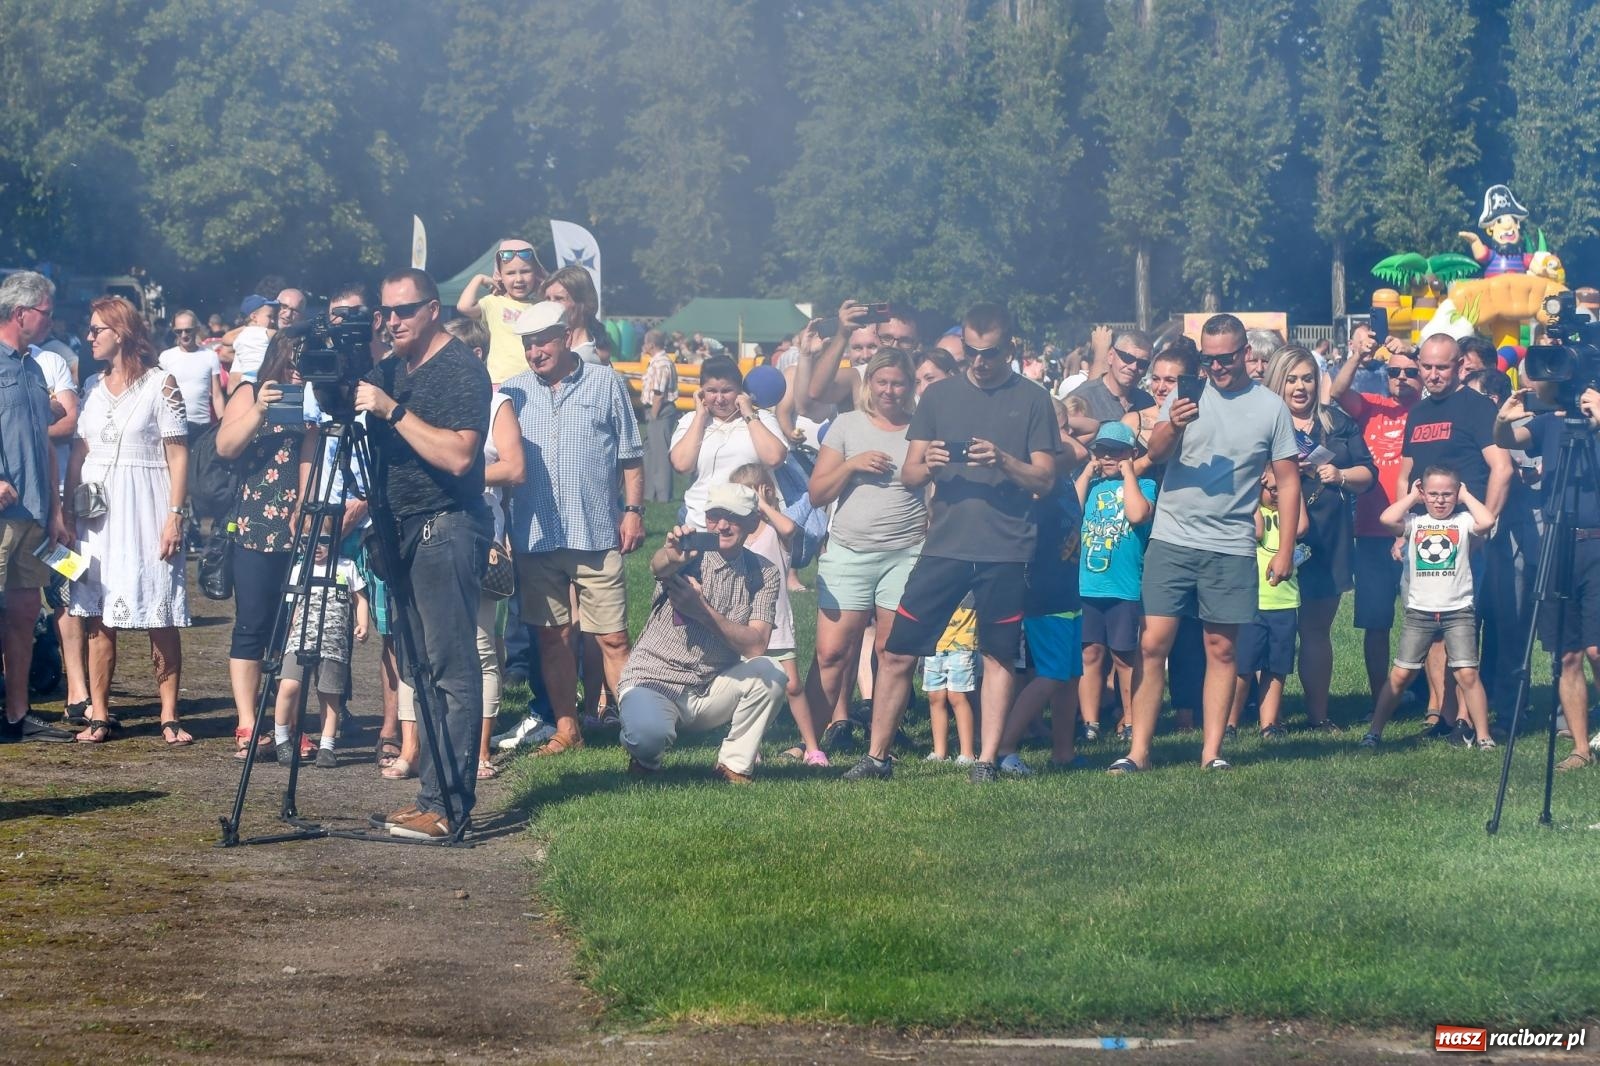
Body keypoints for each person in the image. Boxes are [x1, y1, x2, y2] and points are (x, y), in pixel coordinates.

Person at [843, 303, 1059, 782]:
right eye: (972, 353)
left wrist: (1004, 460)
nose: (980, 363)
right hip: (943, 544)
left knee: (999, 653)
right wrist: (931, 463)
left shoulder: (1033, 398)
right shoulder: (939, 396)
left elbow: (1045, 479)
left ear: (1011, 348)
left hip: (1006, 547)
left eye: (991, 353)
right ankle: (877, 757)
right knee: (898, 650)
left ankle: (987, 761)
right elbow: (909, 472)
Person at [1114, 314, 1300, 774]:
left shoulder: (1270, 408)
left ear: (1245, 355)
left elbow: (1289, 482)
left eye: (1225, 358)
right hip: (1173, 535)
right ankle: (1138, 751)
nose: (1216, 367)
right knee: (1153, 643)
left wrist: (1285, 548)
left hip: (1232, 542)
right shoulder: (1185, 392)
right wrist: (1172, 424)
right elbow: (1154, 455)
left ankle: (1211, 752)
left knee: (1221, 648)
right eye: (1208, 359)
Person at [358, 268, 492, 841]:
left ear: (433, 309)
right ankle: (431, 797)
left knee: (452, 670)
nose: (393, 322)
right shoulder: (389, 367)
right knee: (420, 670)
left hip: (446, 527)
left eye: (404, 311)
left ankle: (450, 808)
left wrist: (392, 410)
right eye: (386, 313)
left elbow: (461, 457)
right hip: (398, 532)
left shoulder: (461, 369)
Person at [498, 300, 643, 758]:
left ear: (564, 337)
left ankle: (637, 734)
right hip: (535, 535)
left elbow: (631, 454)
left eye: (542, 341)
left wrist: (634, 509)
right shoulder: (514, 392)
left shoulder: (606, 382)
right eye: (527, 344)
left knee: (614, 637)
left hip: (597, 530)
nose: (535, 351)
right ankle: (567, 729)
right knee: (552, 636)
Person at [63, 297, 193, 745]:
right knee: (98, 613)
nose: (90, 336)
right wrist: (66, 509)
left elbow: (178, 454)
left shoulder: (161, 384)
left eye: (97, 329)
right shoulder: (91, 389)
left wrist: (175, 516)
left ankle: (169, 714)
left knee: (160, 609)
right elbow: (79, 453)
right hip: (97, 514)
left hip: (148, 505)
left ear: (120, 332)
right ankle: (99, 713)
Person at [618, 483, 787, 783]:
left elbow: (757, 645)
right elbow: (657, 565)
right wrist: (671, 555)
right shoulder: (689, 555)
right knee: (647, 736)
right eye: (714, 516)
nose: (721, 525)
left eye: (732, 517)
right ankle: (646, 759)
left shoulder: (765, 572)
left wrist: (703, 612)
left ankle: (734, 766)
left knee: (772, 673)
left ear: (752, 522)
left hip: (711, 687)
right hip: (654, 679)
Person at [803, 349, 925, 751]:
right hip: (849, 550)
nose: (890, 391)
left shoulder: (922, 427)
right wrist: (852, 464)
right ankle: (809, 744)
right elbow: (818, 493)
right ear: (869, 382)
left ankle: (879, 749)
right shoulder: (847, 424)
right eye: (882, 382)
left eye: (898, 383)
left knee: (894, 653)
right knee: (832, 653)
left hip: (905, 551)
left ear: (909, 385)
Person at [1398, 333, 1512, 732]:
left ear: (1459, 365)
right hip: (1424, 537)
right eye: (1426, 367)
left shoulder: (1478, 409)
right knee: (1430, 627)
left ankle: (1465, 716)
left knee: (1462, 627)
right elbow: (1405, 474)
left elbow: (1502, 468)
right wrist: (1401, 531)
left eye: (1441, 367)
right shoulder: (1418, 412)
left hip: (1464, 536)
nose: (1432, 374)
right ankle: (1442, 713)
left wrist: (1486, 526)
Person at [215, 331, 319, 758]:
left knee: (291, 629)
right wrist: (260, 408)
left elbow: (311, 452)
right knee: (251, 624)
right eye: (293, 359)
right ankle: (246, 723)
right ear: (278, 357)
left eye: (305, 361)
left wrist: (305, 504)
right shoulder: (250, 392)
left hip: (293, 524)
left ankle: (284, 723)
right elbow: (225, 447)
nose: (298, 368)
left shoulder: (313, 398)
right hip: (255, 524)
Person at [1264, 346, 1376, 729]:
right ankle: (1265, 718)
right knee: (1270, 628)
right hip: (1271, 536)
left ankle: (1318, 716)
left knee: (1315, 628)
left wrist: (1339, 474)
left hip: (1328, 536)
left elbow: (1368, 474)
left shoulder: (1336, 421)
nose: (1300, 387)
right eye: (1291, 379)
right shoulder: (1262, 420)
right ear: (1278, 380)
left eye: (1307, 378)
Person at [1494, 385, 1600, 769]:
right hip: (1558, 543)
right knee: (1567, 653)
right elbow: (1506, 439)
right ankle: (1580, 748)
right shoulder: (1550, 423)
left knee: (1596, 649)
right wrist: (1502, 418)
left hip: (1597, 542)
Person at [442, 315, 527, 781]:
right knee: (436, 645)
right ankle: (435, 744)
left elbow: (515, 469)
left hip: (481, 531)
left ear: (475, 355)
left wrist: (459, 472)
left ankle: (479, 750)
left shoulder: (497, 403)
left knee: (479, 645)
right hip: (432, 530)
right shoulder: (428, 399)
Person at [1359, 468, 1496, 749]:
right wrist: (1411, 497)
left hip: (1458, 611)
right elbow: (1387, 518)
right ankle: (1374, 732)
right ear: (1424, 495)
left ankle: (1484, 736)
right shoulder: (1415, 522)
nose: (1440, 500)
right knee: (1401, 674)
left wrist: (1467, 496)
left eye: (1447, 494)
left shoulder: (1463, 521)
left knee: (1467, 673)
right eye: (1433, 494)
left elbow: (1487, 520)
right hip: (1419, 613)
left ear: (1457, 495)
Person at [0, 272, 75, 743]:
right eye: (46, 312)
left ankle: (17, 714)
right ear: (20, 312)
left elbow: (47, 445)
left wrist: (56, 509)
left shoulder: (33, 368)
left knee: (26, 611)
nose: (50, 321)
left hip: (34, 510)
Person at [1332, 325, 1425, 702]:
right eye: (1394, 372)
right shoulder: (1371, 405)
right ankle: (1379, 696)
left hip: (1419, 530)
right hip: (1371, 530)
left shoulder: (1429, 410)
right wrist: (1358, 355)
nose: (1401, 378)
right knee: (1376, 622)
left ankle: (1428, 699)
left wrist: (1412, 351)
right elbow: (1336, 392)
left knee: (1427, 621)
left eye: (1410, 372)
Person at [727, 463, 822, 764]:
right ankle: (749, 748)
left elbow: (790, 528)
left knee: (793, 686)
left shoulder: (775, 532)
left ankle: (812, 747)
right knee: (746, 690)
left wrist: (765, 505)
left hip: (776, 623)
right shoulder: (737, 534)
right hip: (744, 625)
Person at [1076, 422, 1155, 741]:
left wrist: (1129, 474)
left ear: (1132, 454)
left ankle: (1132, 718)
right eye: (1101, 451)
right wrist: (1085, 473)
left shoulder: (1145, 485)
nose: (1107, 457)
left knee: (1124, 656)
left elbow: (1137, 516)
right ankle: (1089, 722)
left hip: (1124, 588)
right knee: (1090, 654)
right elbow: (1072, 512)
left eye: (1116, 451)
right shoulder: (1091, 487)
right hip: (1087, 586)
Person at [271, 538, 370, 767]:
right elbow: (292, 604)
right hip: (300, 639)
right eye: (308, 541)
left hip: (334, 642)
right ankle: (282, 738)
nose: (316, 546)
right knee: (288, 684)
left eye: (323, 541)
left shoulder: (346, 566)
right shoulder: (299, 568)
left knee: (329, 694)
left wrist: (362, 623)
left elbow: (360, 598)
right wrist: (290, 628)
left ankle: (327, 746)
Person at [1229, 467, 1309, 738]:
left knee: (1276, 668)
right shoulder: (1257, 513)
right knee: (1244, 668)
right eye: (1270, 490)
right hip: (1254, 603)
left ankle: (1269, 723)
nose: (1276, 495)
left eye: (1280, 490)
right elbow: (1256, 532)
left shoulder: (1289, 517)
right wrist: (1254, 491)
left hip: (1284, 602)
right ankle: (1230, 722)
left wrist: (1293, 486)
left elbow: (1301, 527)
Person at [670, 356, 788, 528]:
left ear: (740, 391)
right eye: (711, 391)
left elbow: (774, 458)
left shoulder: (762, 418)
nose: (719, 399)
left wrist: (748, 414)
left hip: (753, 523)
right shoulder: (690, 421)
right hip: (701, 521)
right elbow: (681, 465)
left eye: (726, 391)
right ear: (701, 392)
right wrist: (700, 418)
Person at [456, 237, 547, 385]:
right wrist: (478, 279)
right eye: (510, 273)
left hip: (536, 381)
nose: (519, 279)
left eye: (525, 271)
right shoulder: (493, 303)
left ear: (536, 273)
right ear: (500, 276)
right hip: (501, 381)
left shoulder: (541, 306)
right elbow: (464, 307)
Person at [1067, 329, 1154, 438]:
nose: (1133, 367)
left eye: (1142, 363)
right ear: (1111, 356)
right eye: (1127, 358)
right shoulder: (1083, 397)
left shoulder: (1147, 403)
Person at [923, 596, 977, 764]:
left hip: (963, 645)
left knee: (957, 697)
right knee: (935, 697)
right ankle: (940, 753)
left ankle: (967, 753)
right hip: (934, 645)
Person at [158, 309, 225, 440]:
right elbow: (158, 394)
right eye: (178, 331)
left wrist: (224, 424)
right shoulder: (166, 357)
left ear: (196, 329)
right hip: (172, 426)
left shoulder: (210, 356)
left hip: (202, 426)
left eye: (188, 330)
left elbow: (217, 395)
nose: (183, 335)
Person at [639, 329, 680, 502]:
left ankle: (663, 495)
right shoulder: (656, 362)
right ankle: (650, 492)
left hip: (660, 410)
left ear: (651, 344)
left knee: (660, 453)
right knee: (650, 451)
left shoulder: (661, 363)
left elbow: (659, 393)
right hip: (654, 410)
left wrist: (654, 414)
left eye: (645, 342)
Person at [542, 266, 611, 365]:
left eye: (559, 298)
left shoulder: (586, 360)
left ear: (584, 303)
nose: (551, 305)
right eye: (548, 298)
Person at [231, 294, 278, 382]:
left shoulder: (239, 337)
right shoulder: (267, 333)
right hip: (264, 379)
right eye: (269, 316)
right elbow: (283, 335)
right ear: (254, 317)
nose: (273, 321)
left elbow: (225, 340)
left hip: (245, 379)